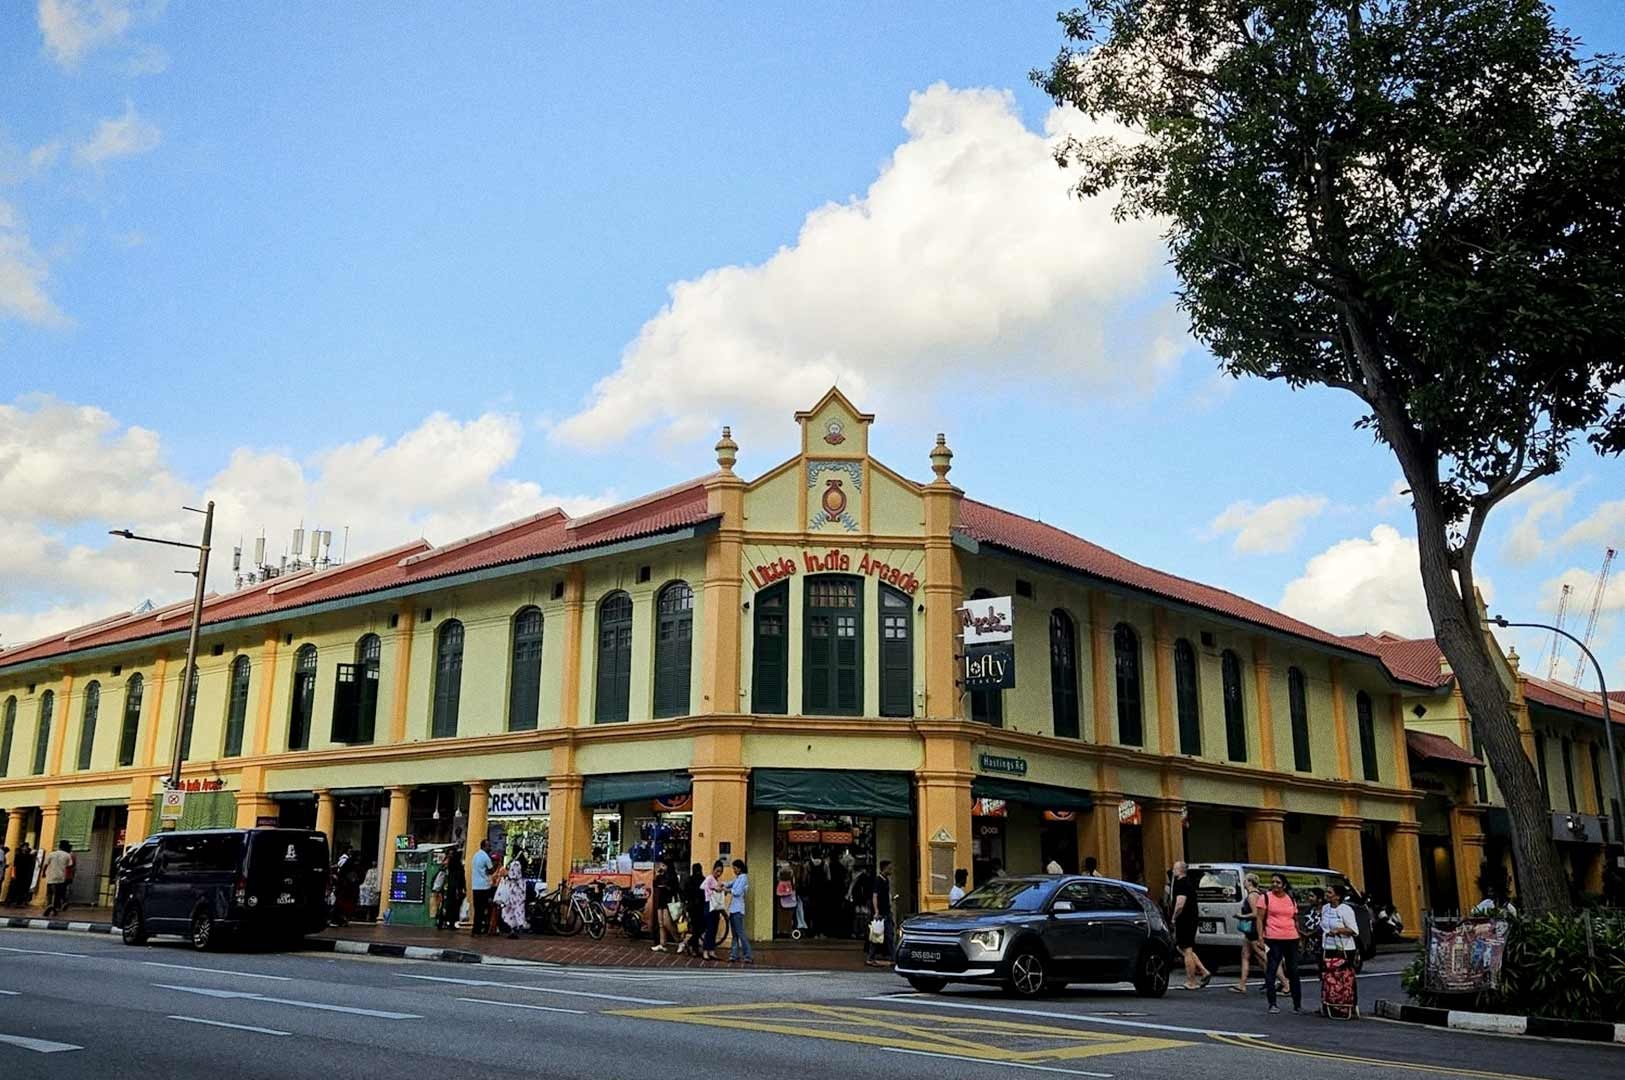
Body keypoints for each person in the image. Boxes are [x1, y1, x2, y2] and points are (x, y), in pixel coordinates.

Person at [1258, 872, 1305, 1014]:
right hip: (1273, 938)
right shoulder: (1265, 898)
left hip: (1291, 937)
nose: (1275, 885)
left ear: (1284, 885)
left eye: (1278, 882)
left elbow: (1295, 918)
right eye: (1273, 882)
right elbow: (1259, 919)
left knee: (1293, 971)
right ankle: (1272, 1003)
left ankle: (1297, 1004)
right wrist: (1260, 937)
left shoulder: (1290, 899)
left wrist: (1300, 936)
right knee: (1272, 969)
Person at [1233, 873, 1287, 995]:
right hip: (1250, 931)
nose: (1244, 882)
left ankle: (1285, 983)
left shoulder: (1253, 896)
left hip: (1254, 930)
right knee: (1245, 955)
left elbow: (1256, 914)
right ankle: (1242, 984)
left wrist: (1241, 916)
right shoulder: (1254, 895)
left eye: (1246, 880)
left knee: (1265, 957)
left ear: (1250, 882)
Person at [1169, 860, 1211, 989]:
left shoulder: (1182, 883)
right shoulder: (1187, 882)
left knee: (1186, 949)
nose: (1173, 870)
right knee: (1183, 947)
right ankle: (1203, 971)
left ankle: (1191, 981)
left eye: (1175, 868)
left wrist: (1174, 917)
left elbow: (1180, 903)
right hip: (1190, 918)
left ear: (1181, 870)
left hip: (1185, 919)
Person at [866, 859, 894, 966]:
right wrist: (876, 911)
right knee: (879, 935)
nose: (891, 870)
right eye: (889, 868)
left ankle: (891, 956)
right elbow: (875, 896)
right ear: (884, 868)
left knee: (885, 935)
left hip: (886, 911)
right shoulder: (878, 880)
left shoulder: (886, 880)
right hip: (882, 912)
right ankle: (872, 957)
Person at [494, 857, 528, 939]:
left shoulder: (515, 864)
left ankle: (514, 930)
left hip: (515, 891)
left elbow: (514, 875)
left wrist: (506, 873)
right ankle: (513, 930)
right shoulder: (517, 864)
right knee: (514, 910)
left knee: (513, 910)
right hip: (516, 890)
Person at [727, 859, 752, 965]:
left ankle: (748, 955)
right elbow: (730, 883)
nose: (734, 870)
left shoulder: (743, 878)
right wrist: (722, 885)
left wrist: (726, 890)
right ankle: (734, 954)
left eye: (735, 868)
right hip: (733, 909)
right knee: (734, 934)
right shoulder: (738, 878)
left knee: (740, 933)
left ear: (739, 868)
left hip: (738, 909)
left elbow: (737, 892)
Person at [651, 859, 679, 952]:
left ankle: (679, 941)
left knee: (667, 923)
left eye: (663, 866)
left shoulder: (672, 876)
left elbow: (674, 888)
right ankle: (662, 943)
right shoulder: (661, 875)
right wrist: (657, 876)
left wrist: (666, 886)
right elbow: (654, 884)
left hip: (668, 901)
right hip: (661, 900)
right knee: (661, 923)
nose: (661, 867)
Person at [702, 859, 727, 961]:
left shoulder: (716, 880)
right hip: (709, 905)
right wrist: (714, 889)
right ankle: (705, 951)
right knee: (709, 929)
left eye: (720, 871)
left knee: (714, 929)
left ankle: (711, 950)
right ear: (713, 869)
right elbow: (704, 888)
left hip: (716, 907)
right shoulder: (709, 879)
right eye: (717, 871)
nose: (719, 873)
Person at [41, 841, 73, 916]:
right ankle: (56, 907)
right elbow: (70, 865)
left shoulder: (51, 854)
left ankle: (49, 905)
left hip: (51, 876)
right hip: (61, 877)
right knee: (58, 894)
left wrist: (43, 873)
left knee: (49, 892)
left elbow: (45, 864)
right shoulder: (67, 855)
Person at [470, 839, 495, 936]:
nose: (490, 848)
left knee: (477, 909)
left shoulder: (475, 856)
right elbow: (491, 870)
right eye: (488, 846)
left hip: (475, 886)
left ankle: (476, 930)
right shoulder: (486, 857)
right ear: (484, 846)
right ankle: (482, 929)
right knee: (484, 909)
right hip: (484, 887)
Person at [681, 862, 706, 957]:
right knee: (700, 927)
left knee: (696, 928)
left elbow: (685, 893)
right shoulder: (703, 879)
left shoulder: (689, 880)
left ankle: (691, 944)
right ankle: (693, 946)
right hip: (700, 907)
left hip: (692, 908)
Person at [438, 848, 466, 930]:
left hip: (446, 887)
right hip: (454, 888)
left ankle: (442, 921)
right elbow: (461, 877)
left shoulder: (446, 863)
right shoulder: (457, 864)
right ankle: (450, 923)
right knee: (453, 906)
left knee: (445, 905)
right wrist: (462, 888)